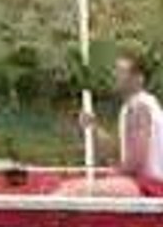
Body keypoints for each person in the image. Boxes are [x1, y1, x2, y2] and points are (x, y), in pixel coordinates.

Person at [54, 49, 163, 197]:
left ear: (139, 78)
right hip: (139, 181)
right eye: (115, 71)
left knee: (71, 191)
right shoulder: (130, 106)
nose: (115, 76)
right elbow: (118, 154)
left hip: (149, 185)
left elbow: (136, 162)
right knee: (69, 186)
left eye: (121, 72)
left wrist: (114, 175)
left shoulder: (139, 107)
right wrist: (93, 128)